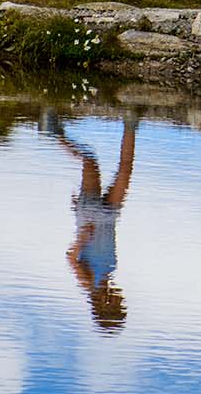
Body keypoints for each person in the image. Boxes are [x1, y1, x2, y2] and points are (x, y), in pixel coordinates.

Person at [50, 114, 137, 332]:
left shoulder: (90, 285)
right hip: (108, 218)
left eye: (119, 305)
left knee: (90, 160)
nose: (121, 300)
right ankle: (130, 122)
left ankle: (54, 132)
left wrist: (81, 238)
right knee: (125, 169)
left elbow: (71, 259)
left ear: (107, 306)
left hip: (89, 217)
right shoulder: (107, 275)